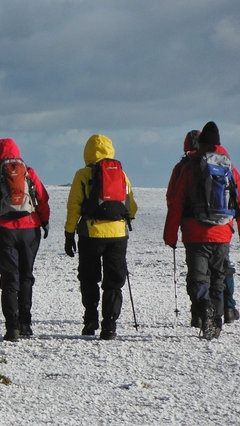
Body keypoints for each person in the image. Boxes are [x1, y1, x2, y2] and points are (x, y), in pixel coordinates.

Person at [163, 121, 240, 339]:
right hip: (223, 232)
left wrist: (171, 234)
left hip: (195, 234)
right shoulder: (229, 167)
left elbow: (176, 203)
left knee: (198, 278)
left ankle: (204, 307)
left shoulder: (188, 168)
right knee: (218, 279)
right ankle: (217, 322)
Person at [0, 138, 50, 341]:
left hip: (2, 231)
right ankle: (25, 324)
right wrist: (45, 220)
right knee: (26, 276)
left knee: (9, 280)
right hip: (30, 229)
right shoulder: (28, 172)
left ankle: (12, 328)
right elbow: (41, 197)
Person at [64, 134, 138, 340]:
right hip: (117, 235)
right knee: (114, 282)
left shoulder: (83, 174)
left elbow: (74, 207)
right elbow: (131, 205)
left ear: (87, 152)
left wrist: (69, 232)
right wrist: (123, 221)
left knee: (89, 278)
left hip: (91, 233)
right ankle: (110, 326)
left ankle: (90, 319)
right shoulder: (120, 173)